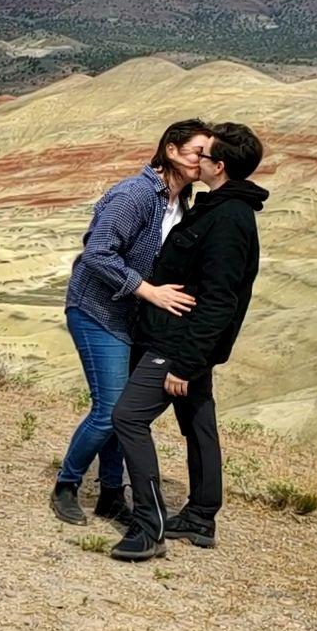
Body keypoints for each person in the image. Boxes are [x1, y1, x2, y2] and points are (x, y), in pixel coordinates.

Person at [107, 122, 269, 561]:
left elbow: (219, 301)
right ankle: (200, 516)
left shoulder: (228, 219)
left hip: (177, 343)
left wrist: (185, 363)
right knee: (198, 424)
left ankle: (148, 524)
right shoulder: (216, 207)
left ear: (219, 166)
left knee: (128, 418)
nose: (197, 158)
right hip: (182, 341)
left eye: (205, 154)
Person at [49, 119, 211, 528]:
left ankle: (109, 494)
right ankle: (66, 485)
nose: (203, 162)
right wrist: (148, 291)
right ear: (172, 150)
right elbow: (98, 253)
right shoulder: (137, 194)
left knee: (124, 411)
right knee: (108, 411)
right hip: (97, 311)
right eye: (197, 152)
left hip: (130, 319)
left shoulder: (181, 200)